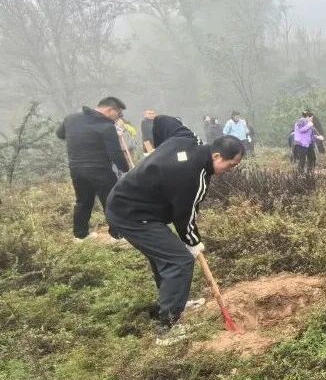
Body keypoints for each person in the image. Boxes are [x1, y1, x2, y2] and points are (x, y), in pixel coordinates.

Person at [105, 116, 245, 345]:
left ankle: (172, 301)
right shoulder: (194, 177)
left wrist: (157, 150)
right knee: (179, 260)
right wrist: (194, 242)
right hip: (132, 214)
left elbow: (163, 121)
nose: (230, 170)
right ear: (217, 156)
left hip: (126, 201)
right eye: (230, 165)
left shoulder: (187, 137)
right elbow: (184, 218)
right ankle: (167, 328)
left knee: (165, 256)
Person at [56, 97, 130, 242]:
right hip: (100, 170)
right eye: (119, 113)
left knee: (83, 201)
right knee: (110, 201)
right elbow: (115, 153)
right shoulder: (107, 126)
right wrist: (126, 169)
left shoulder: (71, 119)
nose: (119, 117)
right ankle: (117, 236)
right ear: (110, 110)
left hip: (77, 169)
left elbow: (60, 134)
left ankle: (80, 236)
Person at [292, 110, 324, 176]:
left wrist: (318, 137)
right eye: (311, 118)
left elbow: (309, 135)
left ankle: (310, 173)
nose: (312, 119)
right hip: (301, 144)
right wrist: (308, 125)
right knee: (302, 159)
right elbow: (301, 130)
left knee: (312, 158)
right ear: (308, 117)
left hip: (308, 144)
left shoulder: (308, 123)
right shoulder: (301, 121)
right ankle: (300, 174)